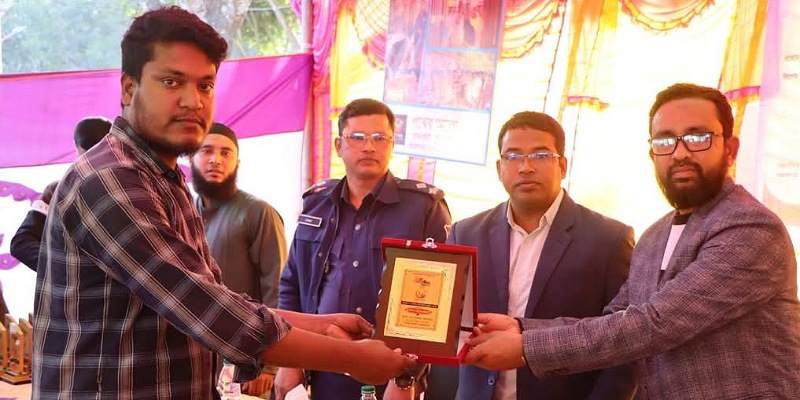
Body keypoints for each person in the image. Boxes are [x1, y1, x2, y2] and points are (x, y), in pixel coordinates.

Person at [32, 7, 415, 400]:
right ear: (129, 88)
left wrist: (318, 325)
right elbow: (207, 308)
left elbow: (216, 296)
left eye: (205, 86)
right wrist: (352, 358)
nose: (193, 101)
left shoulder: (166, 180)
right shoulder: (110, 181)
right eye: (171, 82)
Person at [464, 83, 800, 399]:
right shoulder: (655, 236)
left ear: (730, 149)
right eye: (665, 141)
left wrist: (526, 348)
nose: (680, 153)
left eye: (697, 137)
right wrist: (520, 327)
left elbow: (655, 324)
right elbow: (615, 317)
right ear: (653, 154)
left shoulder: (750, 228)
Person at [439, 111, 637, 400]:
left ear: (562, 165)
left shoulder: (608, 239)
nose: (526, 167)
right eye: (513, 156)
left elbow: (626, 343)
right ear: (499, 168)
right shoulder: (466, 233)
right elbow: (444, 321)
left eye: (540, 155)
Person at [276, 98, 452, 400]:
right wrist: (289, 358)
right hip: (322, 367)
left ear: (392, 144)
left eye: (379, 138)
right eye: (357, 137)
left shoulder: (423, 208)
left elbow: (439, 303)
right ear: (338, 146)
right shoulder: (317, 202)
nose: (369, 147)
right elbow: (292, 285)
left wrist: (406, 377)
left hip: (391, 372)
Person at [190, 121, 288, 397]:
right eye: (207, 151)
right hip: (197, 359)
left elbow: (277, 288)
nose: (216, 160)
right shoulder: (186, 211)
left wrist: (270, 367)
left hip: (245, 362)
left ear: (237, 163)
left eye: (226, 153)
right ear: (191, 158)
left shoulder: (258, 213)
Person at [10, 116, 111, 271]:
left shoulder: (128, 189)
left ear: (76, 146)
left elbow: (21, 243)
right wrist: (66, 271)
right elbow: (22, 243)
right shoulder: (56, 191)